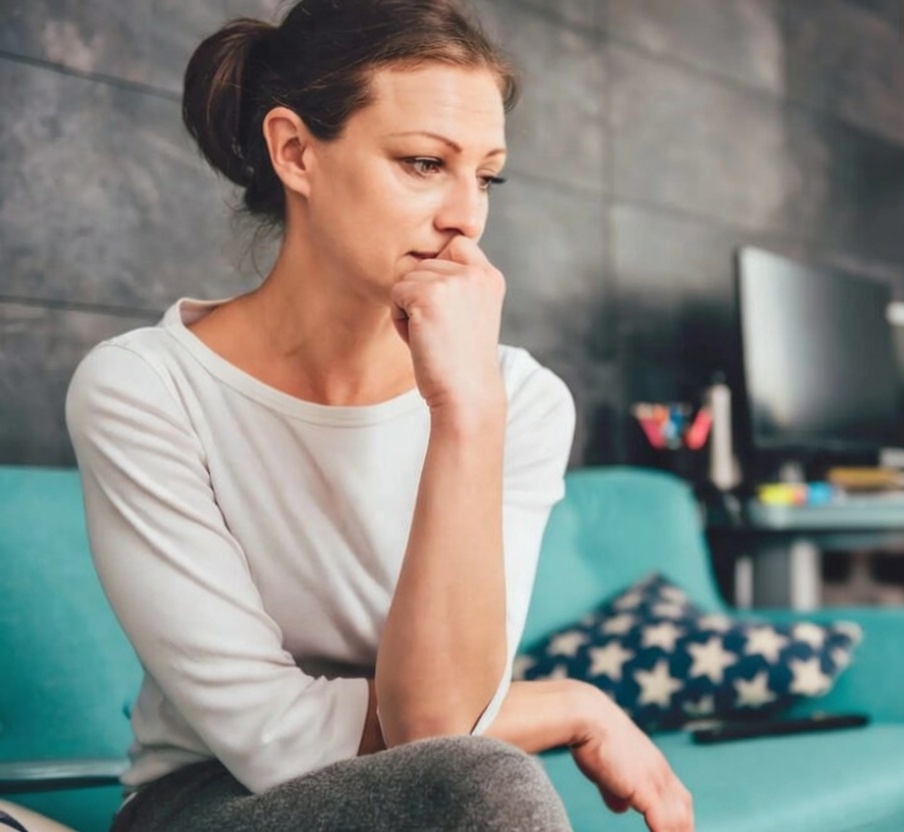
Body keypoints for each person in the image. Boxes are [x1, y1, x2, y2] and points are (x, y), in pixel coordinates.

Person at [64, 1, 693, 830]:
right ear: (295, 152)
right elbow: (277, 738)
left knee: (477, 777)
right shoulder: (143, 389)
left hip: (435, 781)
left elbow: (438, 729)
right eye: (426, 163)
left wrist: (465, 410)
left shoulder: (522, 400)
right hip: (206, 800)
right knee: (486, 784)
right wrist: (568, 704)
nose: (467, 216)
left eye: (487, 175)